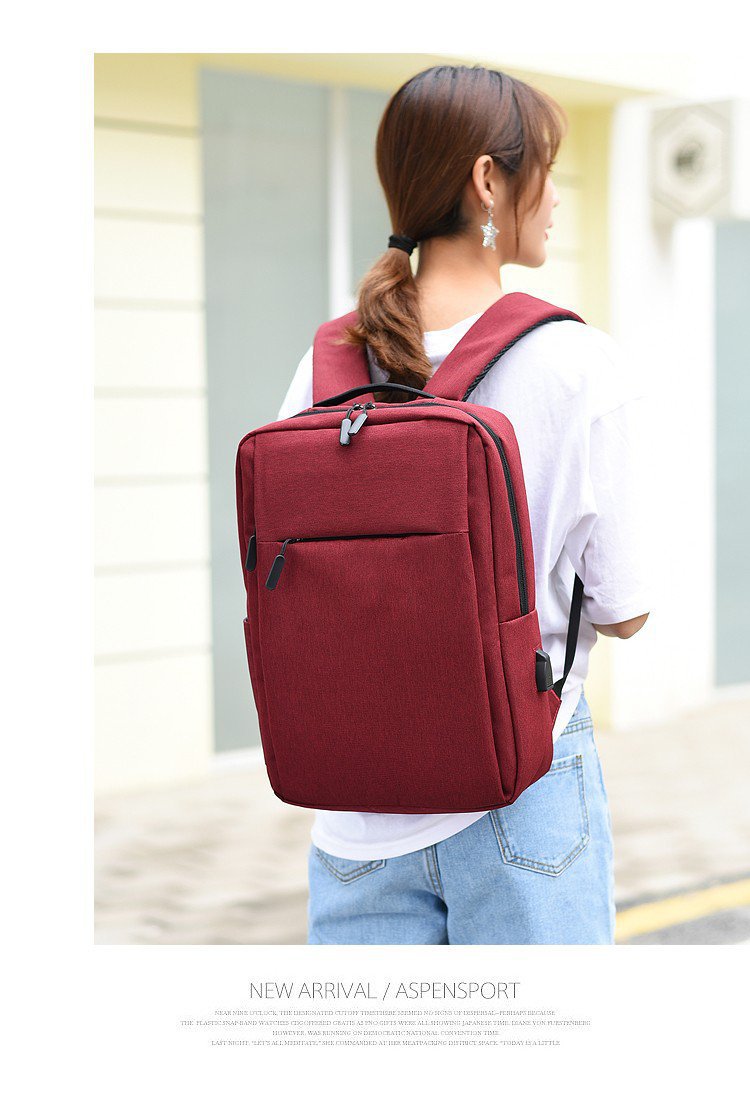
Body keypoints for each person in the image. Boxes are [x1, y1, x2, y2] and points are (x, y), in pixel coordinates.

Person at [275, 64, 651, 945]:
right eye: (545, 169)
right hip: (520, 793)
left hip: (353, 815)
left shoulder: (326, 364)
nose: (554, 197)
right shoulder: (577, 362)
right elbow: (625, 609)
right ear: (489, 180)